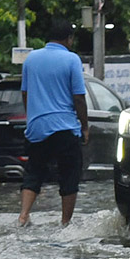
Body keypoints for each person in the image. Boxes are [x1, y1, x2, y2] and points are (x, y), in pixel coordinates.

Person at [18, 19, 89, 226]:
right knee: (69, 175)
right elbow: (78, 97)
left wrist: (32, 117)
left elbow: (25, 93)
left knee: (34, 172)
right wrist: (84, 126)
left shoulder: (31, 59)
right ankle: (65, 223)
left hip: (37, 128)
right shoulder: (71, 59)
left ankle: (23, 216)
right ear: (69, 38)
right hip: (65, 128)